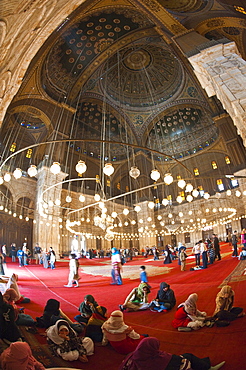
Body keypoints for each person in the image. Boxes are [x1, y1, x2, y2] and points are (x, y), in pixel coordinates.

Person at [119, 336, 225, 370]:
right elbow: (176, 361)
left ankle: (203, 364)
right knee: (188, 357)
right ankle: (208, 368)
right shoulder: (157, 360)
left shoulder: (131, 356)